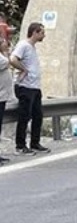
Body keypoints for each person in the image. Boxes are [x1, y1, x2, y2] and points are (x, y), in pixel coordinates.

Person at [9, 22, 49, 155]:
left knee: (38, 115)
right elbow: (13, 59)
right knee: (24, 116)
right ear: (35, 33)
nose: (44, 35)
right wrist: (23, 69)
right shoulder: (23, 45)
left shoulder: (32, 47)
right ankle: (20, 146)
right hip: (25, 86)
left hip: (34, 86)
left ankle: (35, 143)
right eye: (42, 32)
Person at [0, 38, 12, 164]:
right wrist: (6, 52)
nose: (6, 43)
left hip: (2, 96)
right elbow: (7, 62)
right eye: (3, 42)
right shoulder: (1, 58)